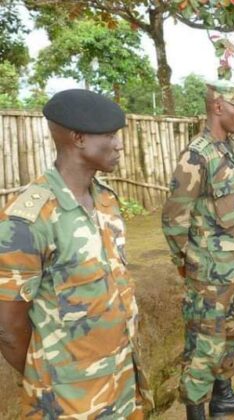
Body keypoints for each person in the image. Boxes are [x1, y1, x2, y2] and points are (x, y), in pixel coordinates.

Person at [0, 89, 153, 418]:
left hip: (122, 384)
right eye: (110, 135)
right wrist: (54, 375)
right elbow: (8, 328)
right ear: (79, 138)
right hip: (69, 401)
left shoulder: (106, 200)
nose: (119, 144)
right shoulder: (28, 219)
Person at [161, 80, 234, 420]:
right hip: (208, 274)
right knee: (204, 344)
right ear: (218, 107)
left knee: (233, 334)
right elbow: (175, 218)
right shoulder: (197, 154)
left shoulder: (230, 148)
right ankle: (197, 412)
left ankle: (224, 397)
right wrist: (187, 264)